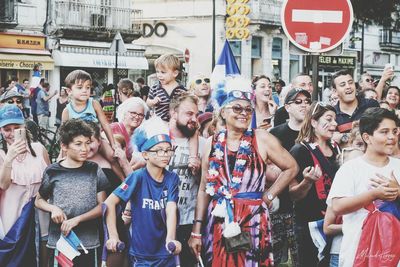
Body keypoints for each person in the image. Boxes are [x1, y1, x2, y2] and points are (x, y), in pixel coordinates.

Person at [189, 77, 299, 266]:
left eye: (248, 109)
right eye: (237, 108)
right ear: (223, 111)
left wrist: (269, 195)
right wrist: (196, 231)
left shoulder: (262, 138)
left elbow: (292, 168)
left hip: (253, 217)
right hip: (220, 217)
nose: (244, 113)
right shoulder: (212, 143)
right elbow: (203, 190)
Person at [328, 107, 400, 267]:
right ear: (367, 137)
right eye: (384, 132)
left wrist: (398, 192)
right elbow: (338, 206)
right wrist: (374, 194)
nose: (392, 137)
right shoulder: (351, 168)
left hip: (395, 253)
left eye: (394, 131)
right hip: (357, 253)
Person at [104, 116, 181, 266]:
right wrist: (113, 235)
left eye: (168, 150)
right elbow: (109, 203)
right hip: (141, 254)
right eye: (158, 151)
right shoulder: (137, 177)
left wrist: (171, 238)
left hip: (166, 251)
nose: (164, 155)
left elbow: (171, 208)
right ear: (145, 154)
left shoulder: (172, 178)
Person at [35, 119, 109, 266]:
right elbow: (38, 200)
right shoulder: (53, 171)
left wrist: (77, 219)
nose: (85, 148)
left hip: (88, 242)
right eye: (78, 144)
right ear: (64, 146)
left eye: (87, 143)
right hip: (60, 242)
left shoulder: (94, 169)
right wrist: (53, 208)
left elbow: (103, 206)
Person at [289, 102, 341, 267]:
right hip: (309, 224)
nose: (334, 124)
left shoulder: (338, 150)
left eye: (335, 119)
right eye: (329, 119)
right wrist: (307, 181)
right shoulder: (300, 150)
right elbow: (292, 194)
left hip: (334, 221)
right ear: (313, 122)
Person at [0, 104, 50, 265]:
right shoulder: (1, 154)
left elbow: (50, 181)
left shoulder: (39, 149)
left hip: (41, 218)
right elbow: (3, 185)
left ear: (24, 127)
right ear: (1, 130)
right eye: (7, 129)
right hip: (13, 222)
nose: (12, 133)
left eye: (17, 127)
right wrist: (9, 158)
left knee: (42, 259)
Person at [269, 88, 312, 266]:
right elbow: (268, 166)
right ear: (287, 107)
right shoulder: (275, 133)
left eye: (307, 101)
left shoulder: (315, 132)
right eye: (298, 102)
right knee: (275, 256)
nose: (304, 105)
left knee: (302, 257)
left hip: (308, 204)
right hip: (281, 203)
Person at [61, 69, 125, 180]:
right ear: (69, 91)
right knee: (63, 162)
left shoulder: (94, 103)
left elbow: (105, 125)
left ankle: (123, 181)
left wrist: (113, 143)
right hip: (79, 143)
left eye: (88, 87)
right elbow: (64, 134)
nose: (85, 91)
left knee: (111, 156)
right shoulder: (67, 111)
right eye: (80, 88)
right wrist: (63, 152)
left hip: (96, 139)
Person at [167, 93, 203, 266]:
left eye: (196, 115)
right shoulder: (155, 137)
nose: (194, 119)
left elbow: (207, 184)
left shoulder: (203, 144)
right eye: (189, 114)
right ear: (174, 113)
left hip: (188, 221)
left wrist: (198, 169)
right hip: (158, 219)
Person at [331, 70, 379, 145]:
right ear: (335, 91)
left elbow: (377, 133)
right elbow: (332, 139)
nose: (348, 86)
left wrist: (343, 136)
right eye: (343, 85)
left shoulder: (371, 104)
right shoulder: (332, 113)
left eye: (350, 82)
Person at [146, 54, 186, 122]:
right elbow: (148, 102)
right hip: (159, 123)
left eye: (163, 72)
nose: (159, 75)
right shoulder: (155, 88)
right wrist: (152, 102)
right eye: (157, 72)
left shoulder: (182, 90)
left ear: (175, 73)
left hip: (176, 123)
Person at [112, 97, 148, 162]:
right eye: (133, 113)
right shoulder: (113, 128)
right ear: (125, 113)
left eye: (140, 115)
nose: (137, 117)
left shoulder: (141, 134)